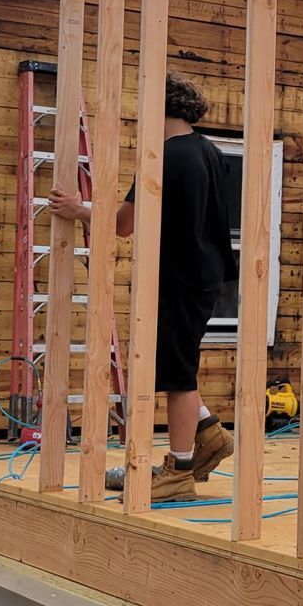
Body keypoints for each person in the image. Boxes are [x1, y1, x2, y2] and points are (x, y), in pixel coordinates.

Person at [50, 72, 234, 504]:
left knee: (178, 376)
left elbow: (123, 224)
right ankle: (208, 434)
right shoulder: (210, 151)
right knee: (175, 364)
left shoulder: (165, 157)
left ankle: (179, 470)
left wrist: (79, 209)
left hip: (180, 277)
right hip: (204, 275)